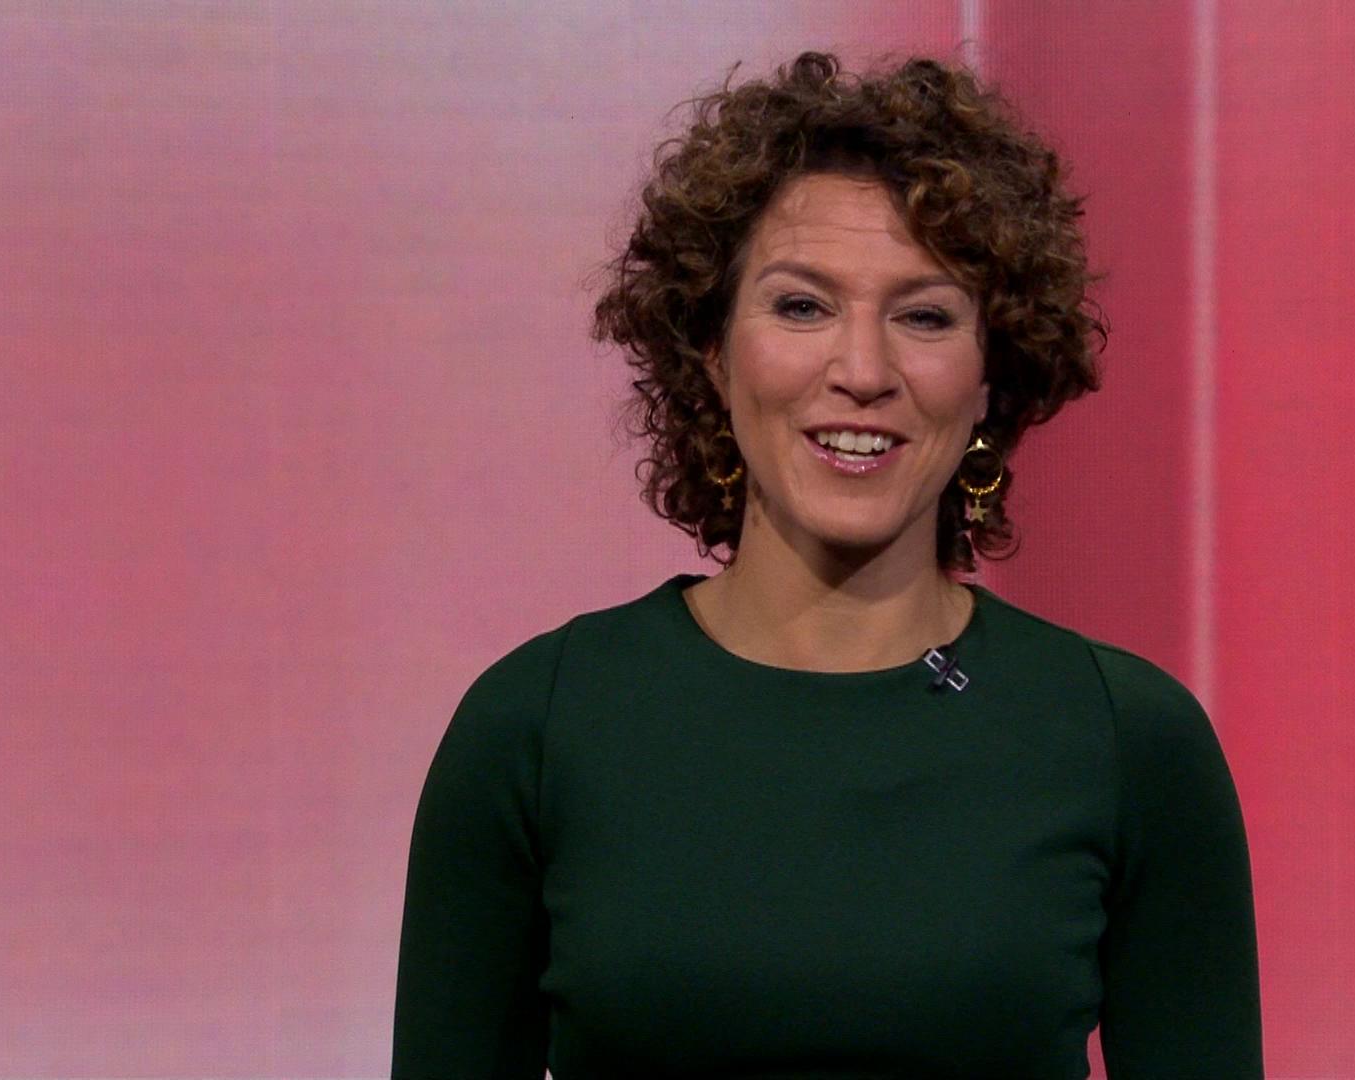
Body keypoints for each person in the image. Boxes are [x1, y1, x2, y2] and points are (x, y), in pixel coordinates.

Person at [391, 51, 1262, 1078]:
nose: (862, 370)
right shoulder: (535, 727)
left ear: (992, 375)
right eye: (803, 306)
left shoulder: (1128, 741)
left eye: (924, 315)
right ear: (713, 352)